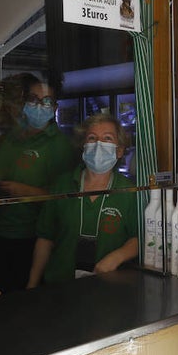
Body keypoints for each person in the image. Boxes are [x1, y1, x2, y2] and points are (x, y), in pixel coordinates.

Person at [27, 112, 139, 286]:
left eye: (107, 138)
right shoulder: (62, 185)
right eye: (92, 138)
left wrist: (117, 256)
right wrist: (32, 285)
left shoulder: (129, 191)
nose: (98, 144)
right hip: (59, 286)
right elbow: (45, 238)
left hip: (108, 287)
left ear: (119, 151)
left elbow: (138, 239)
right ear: (83, 146)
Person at [0, 77, 77, 290]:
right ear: (24, 102)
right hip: (1, 231)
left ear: (54, 107)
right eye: (33, 99)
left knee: (26, 304)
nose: (39, 105)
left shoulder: (60, 146)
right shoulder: (12, 138)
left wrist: (25, 191)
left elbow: (65, 201)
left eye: (46, 101)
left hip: (32, 237)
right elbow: (0, 174)